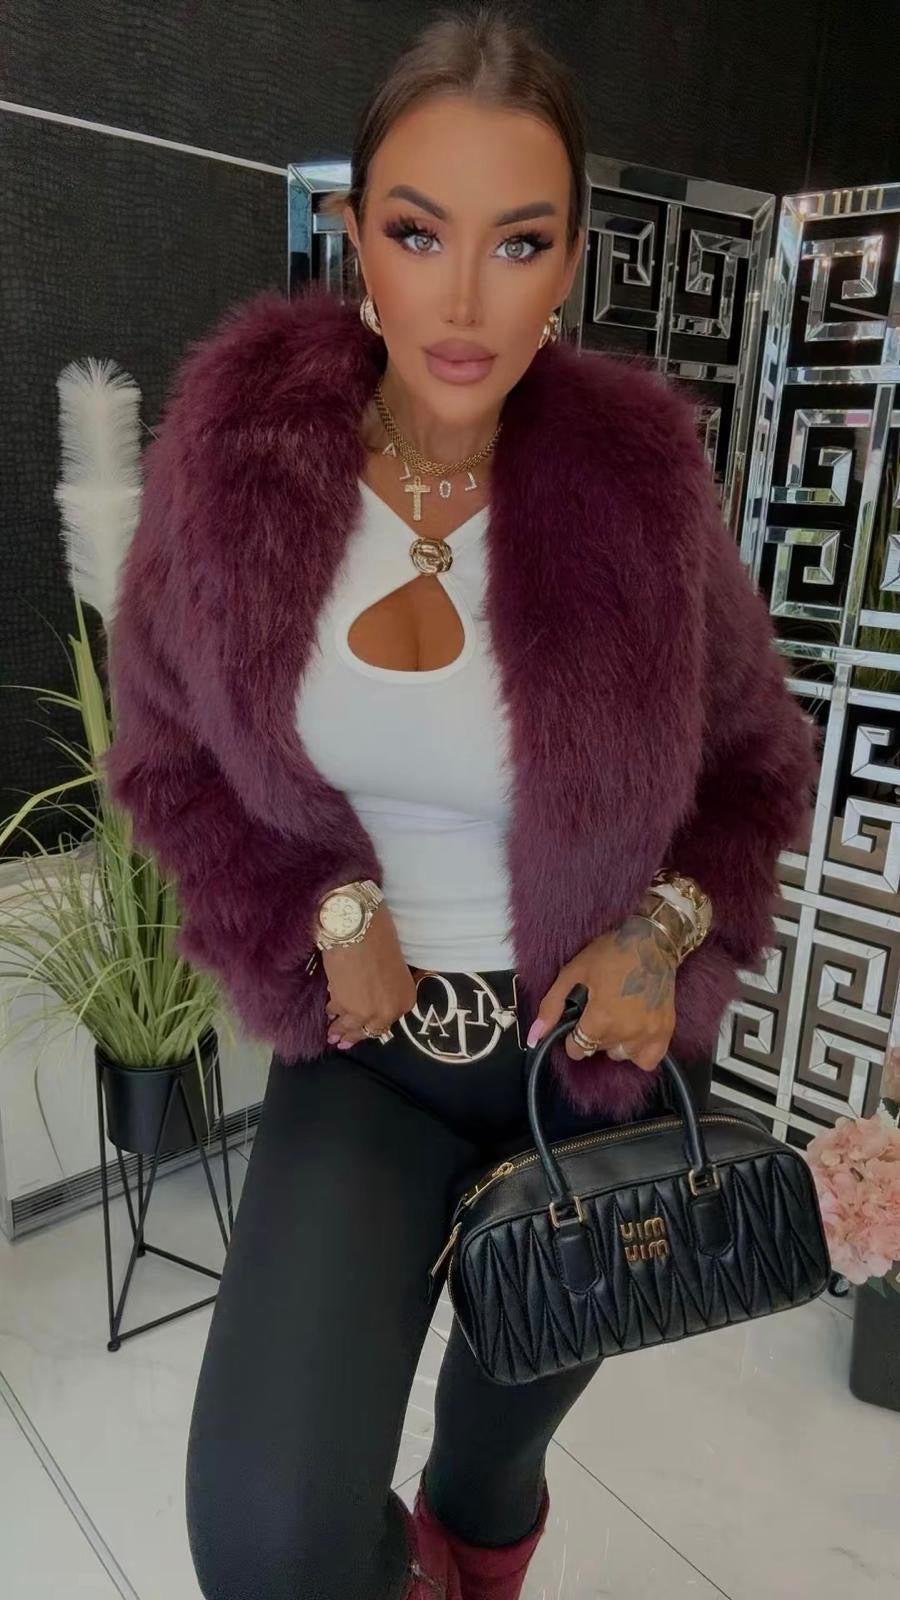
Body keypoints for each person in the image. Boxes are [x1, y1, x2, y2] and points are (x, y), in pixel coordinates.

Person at [101, 9, 819, 1599]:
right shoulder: (236, 464)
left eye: (521, 241)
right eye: (423, 232)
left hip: (588, 1068)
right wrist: (324, 906)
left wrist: (661, 937)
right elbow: (163, 756)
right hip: (368, 1059)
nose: (467, 296)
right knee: (270, 1541)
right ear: (356, 230)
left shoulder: (640, 491)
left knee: (489, 1477)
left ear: (571, 263)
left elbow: (758, 766)